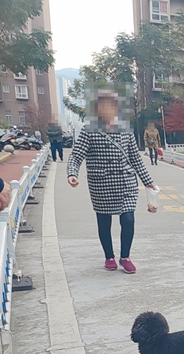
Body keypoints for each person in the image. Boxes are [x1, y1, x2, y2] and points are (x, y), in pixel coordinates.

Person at [66, 89, 156, 274]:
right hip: (101, 184)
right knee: (104, 222)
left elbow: (135, 158)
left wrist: (148, 182)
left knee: (128, 219)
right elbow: (76, 156)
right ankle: (109, 257)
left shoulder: (126, 129)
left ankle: (125, 257)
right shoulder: (89, 130)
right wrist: (72, 173)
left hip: (125, 182)